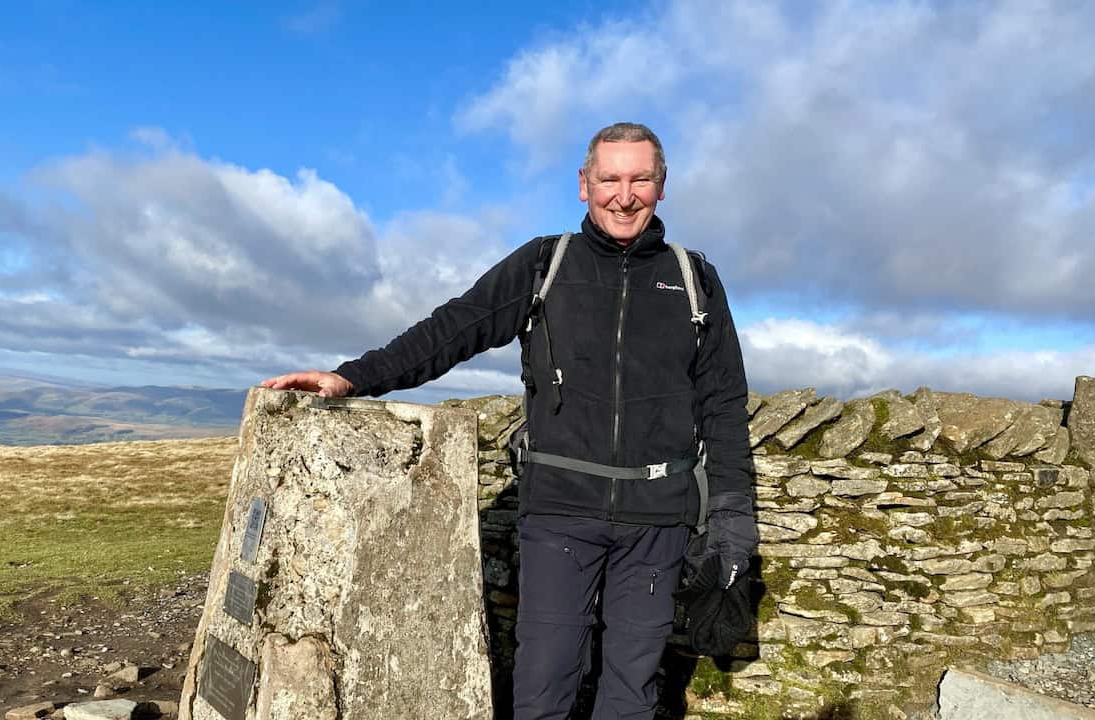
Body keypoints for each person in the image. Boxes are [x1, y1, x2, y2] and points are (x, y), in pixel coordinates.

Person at [262, 122, 755, 720]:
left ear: (661, 186)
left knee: (632, 693)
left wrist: (732, 517)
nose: (624, 194)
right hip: (559, 514)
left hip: (658, 522)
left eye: (640, 179)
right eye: (609, 179)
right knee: (543, 688)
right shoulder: (546, 265)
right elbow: (452, 328)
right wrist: (353, 377)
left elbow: (725, 403)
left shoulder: (694, 278)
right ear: (583, 184)